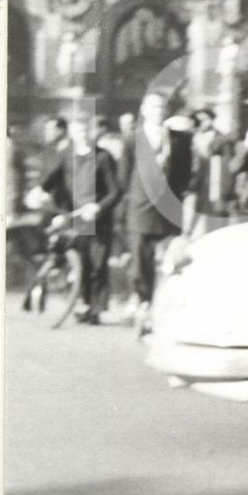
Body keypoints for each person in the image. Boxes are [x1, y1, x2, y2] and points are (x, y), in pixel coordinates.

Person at [120, 90, 195, 325]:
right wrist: (135, 196)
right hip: (141, 207)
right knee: (140, 259)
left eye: (162, 108)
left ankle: (158, 306)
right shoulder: (133, 138)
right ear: (144, 111)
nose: (158, 112)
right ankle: (141, 299)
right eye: (153, 107)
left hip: (167, 208)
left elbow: (184, 173)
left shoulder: (179, 140)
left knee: (167, 259)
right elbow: (124, 174)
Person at [42, 113, 122, 323]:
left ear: (92, 132)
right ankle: (84, 303)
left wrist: (99, 206)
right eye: (78, 131)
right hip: (77, 217)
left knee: (98, 264)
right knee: (83, 264)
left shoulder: (103, 157)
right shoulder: (68, 156)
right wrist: (39, 190)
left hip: (99, 218)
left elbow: (115, 191)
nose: (83, 135)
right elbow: (52, 178)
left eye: (86, 131)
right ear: (71, 133)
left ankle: (95, 309)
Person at [190, 107, 234, 235]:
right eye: (199, 120)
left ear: (212, 119)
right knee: (196, 215)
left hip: (215, 183)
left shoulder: (221, 139)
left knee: (215, 218)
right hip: (198, 183)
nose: (202, 122)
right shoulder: (193, 137)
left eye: (205, 119)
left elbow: (227, 164)